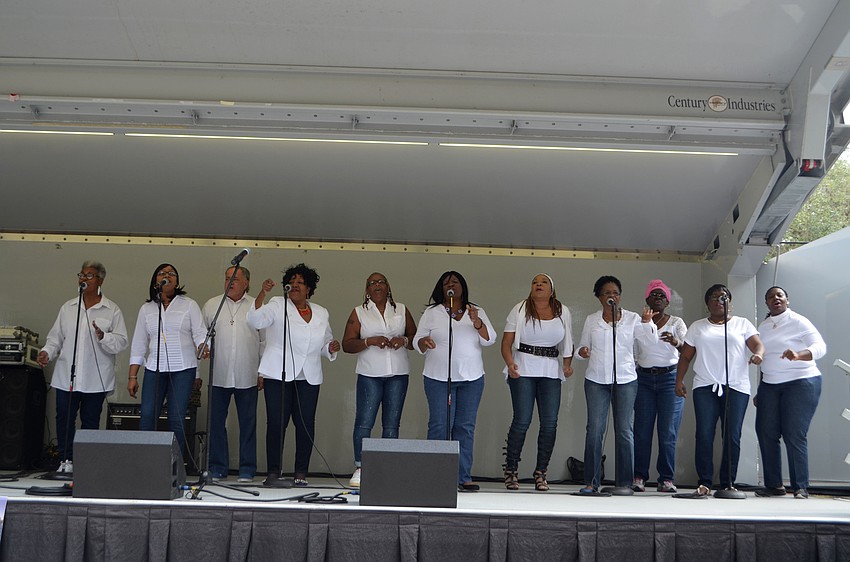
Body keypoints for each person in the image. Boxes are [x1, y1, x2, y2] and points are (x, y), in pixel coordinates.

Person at [246, 263, 340, 487]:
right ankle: (274, 472)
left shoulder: (321, 312)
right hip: (278, 373)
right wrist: (263, 293)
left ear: (309, 288)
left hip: (308, 376)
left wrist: (330, 348)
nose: (295, 285)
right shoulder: (278, 304)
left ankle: (300, 472)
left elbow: (323, 343)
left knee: (306, 424)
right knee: (277, 424)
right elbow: (255, 320)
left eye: (301, 282)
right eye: (292, 281)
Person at [37, 261, 128, 473]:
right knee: (64, 418)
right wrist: (46, 353)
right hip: (67, 375)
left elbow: (122, 342)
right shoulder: (68, 308)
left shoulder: (111, 309)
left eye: (89, 275)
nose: (83, 279)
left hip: (96, 379)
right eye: (81, 275)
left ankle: (87, 464)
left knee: (90, 420)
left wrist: (103, 336)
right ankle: (65, 461)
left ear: (100, 280)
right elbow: (55, 339)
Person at [675, 284, 765, 497]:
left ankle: (728, 483)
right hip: (705, 386)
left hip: (736, 386)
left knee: (732, 435)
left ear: (729, 302)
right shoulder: (697, 327)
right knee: (704, 434)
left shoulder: (742, 324)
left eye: (723, 297)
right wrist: (678, 381)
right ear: (708, 304)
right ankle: (705, 481)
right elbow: (686, 356)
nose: (719, 300)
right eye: (714, 297)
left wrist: (759, 355)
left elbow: (758, 345)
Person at [413, 271, 496, 491]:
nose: (451, 285)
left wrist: (477, 322)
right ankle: (436, 476)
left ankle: (463, 476)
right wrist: (424, 341)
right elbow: (416, 341)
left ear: (463, 286)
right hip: (438, 377)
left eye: (455, 281)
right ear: (441, 288)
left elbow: (490, 340)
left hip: (471, 377)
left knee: (465, 427)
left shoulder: (475, 311)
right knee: (440, 425)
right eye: (446, 282)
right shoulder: (432, 313)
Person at [577, 275, 657, 493]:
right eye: (607, 293)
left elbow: (650, 341)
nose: (612, 296)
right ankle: (591, 482)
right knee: (595, 430)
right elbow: (582, 347)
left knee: (624, 430)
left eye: (615, 293)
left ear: (620, 297)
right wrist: (582, 352)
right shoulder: (592, 320)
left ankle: (624, 483)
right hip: (596, 380)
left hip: (625, 379)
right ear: (599, 297)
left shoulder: (632, 319)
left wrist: (648, 323)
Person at [342, 272, 417, 488]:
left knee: (391, 424)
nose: (377, 285)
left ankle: (387, 468)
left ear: (388, 287)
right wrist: (368, 341)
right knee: (364, 422)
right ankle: (361, 467)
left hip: (398, 374)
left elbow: (415, 339)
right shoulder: (359, 312)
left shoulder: (401, 310)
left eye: (381, 282)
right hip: (369, 374)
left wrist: (402, 340)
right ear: (366, 290)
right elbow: (347, 344)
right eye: (372, 283)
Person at [501, 273, 573, 491]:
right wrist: (510, 362)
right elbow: (506, 342)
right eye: (534, 282)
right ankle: (511, 470)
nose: (538, 285)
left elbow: (568, 341)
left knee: (550, 423)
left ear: (552, 289)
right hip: (523, 367)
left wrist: (567, 364)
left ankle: (541, 472)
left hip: (550, 369)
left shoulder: (563, 310)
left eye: (543, 282)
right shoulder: (520, 308)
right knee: (522, 420)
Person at [128, 263, 208, 456]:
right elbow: (139, 343)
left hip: (183, 369)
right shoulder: (147, 309)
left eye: (172, 273)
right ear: (155, 280)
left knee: (177, 419)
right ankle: (146, 463)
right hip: (154, 368)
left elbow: (199, 332)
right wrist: (132, 376)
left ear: (177, 281)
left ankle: (175, 467)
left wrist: (203, 346)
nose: (167, 275)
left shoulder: (189, 305)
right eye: (162, 273)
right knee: (147, 416)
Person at [754, 286, 826, 499]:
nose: (775, 298)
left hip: (801, 382)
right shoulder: (764, 326)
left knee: (794, 433)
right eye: (770, 296)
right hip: (770, 385)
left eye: (780, 295)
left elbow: (820, 347)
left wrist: (798, 354)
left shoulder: (799, 321)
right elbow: (764, 359)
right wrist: (760, 389)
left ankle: (800, 486)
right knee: (766, 432)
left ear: (787, 300)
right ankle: (774, 485)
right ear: (766, 303)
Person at [202, 266, 262, 483]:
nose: (230, 282)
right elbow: (202, 338)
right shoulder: (212, 305)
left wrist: (262, 371)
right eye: (227, 278)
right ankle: (217, 467)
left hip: (247, 372)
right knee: (216, 423)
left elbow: (264, 340)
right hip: (218, 373)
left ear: (246, 282)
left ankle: (247, 469)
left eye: (235, 278)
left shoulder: (256, 305)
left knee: (248, 423)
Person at [633, 279, 687, 493]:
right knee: (642, 431)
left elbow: (688, 351)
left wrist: (676, 342)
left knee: (668, 432)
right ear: (646, 299)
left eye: (662, 295)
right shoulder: (639, 322)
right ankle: (639, 476)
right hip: (643, 379)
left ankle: (666, 479)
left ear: (667, 301)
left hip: (669, 379)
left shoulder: (677, 322)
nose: (658, 298)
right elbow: (633, 351)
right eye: (653, 295)